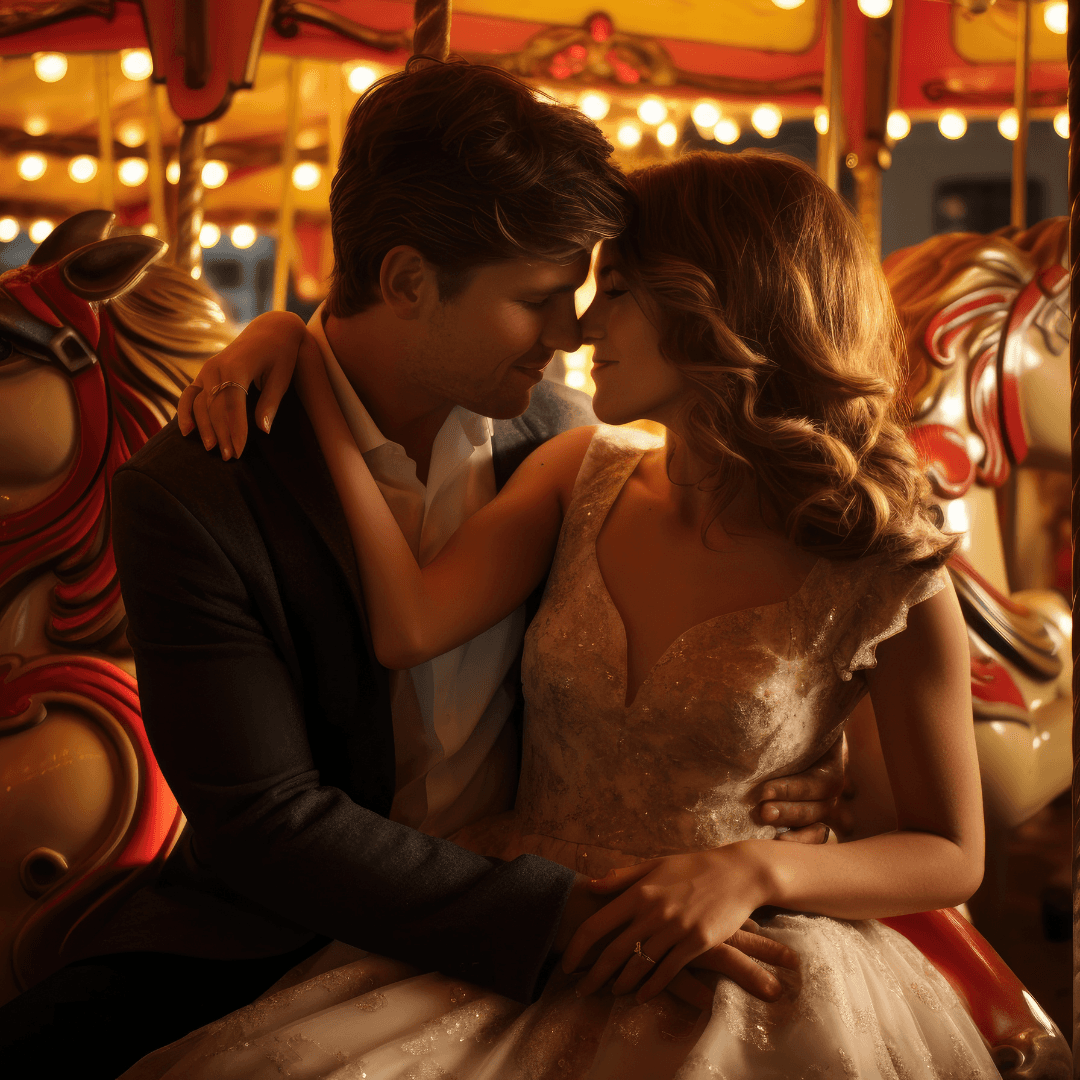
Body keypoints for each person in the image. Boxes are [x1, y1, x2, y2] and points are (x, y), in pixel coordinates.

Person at [0, 61, 836, 1079]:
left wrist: (794, 751)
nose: (569, 333)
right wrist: (560, 913)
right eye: (537, 297)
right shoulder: (195, 494)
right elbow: (268, 821)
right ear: (404, 282)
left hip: (569, 894)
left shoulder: (564, 443)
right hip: (293, 926)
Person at [121, 149, 996, 1078]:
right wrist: (301, 349)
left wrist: (758, 868)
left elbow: (952, 850)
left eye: (612, 289)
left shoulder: (879, 556)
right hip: (518, 907)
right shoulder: (580, 468)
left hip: (735, 932)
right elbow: (406, 625)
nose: (581, 324)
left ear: (713, 307)